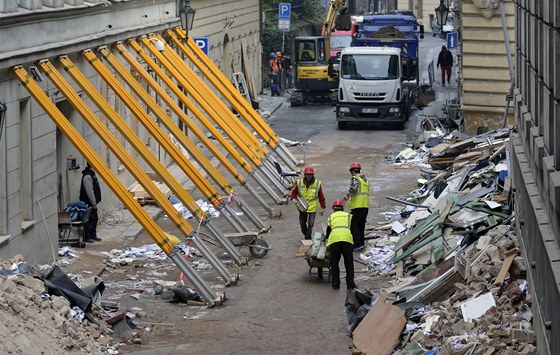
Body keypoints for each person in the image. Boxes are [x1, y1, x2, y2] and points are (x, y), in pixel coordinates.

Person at [325, 199, 356, 290]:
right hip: (347, 241)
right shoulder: (349, 216)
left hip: (334, 242)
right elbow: (354, 230)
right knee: (349, 263)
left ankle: (335, 284)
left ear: (333, 209)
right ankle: (350, 285)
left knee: (334, 264)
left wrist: (326, 240)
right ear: (342, 208)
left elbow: (328, 232)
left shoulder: (331, 217)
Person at [290, 166, 326, 240]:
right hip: (302, 207)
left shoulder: (317, 183)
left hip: (312, 206)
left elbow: (321, 195)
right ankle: (306, 234)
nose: (309, 176)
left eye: (310, 174)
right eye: (307, 174)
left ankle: (308, 237)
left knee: (311, 224)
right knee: (302, 223)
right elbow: (294, 192)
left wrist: (323, 206)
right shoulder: (299, 182)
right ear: (305, 175)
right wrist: (293, 199)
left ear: (312, 175)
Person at [343, 162, 370, 251]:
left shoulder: (355, 179)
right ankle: (361, 243)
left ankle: (357, 244)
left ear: (352, 171)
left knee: (354, 225)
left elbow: (354, 189)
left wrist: (347, 195)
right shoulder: (365, 180)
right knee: (361, 225)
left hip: (357, 205)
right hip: (365, 205)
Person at [80, 162, 102, 243]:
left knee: (95, 219)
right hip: (88, 203)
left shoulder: (92, 174)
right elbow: (89, 191)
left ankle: (93, 235)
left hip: (92, 203)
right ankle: (87, 237)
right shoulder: (87, 176)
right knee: (90, 220)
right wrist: (93, 203)